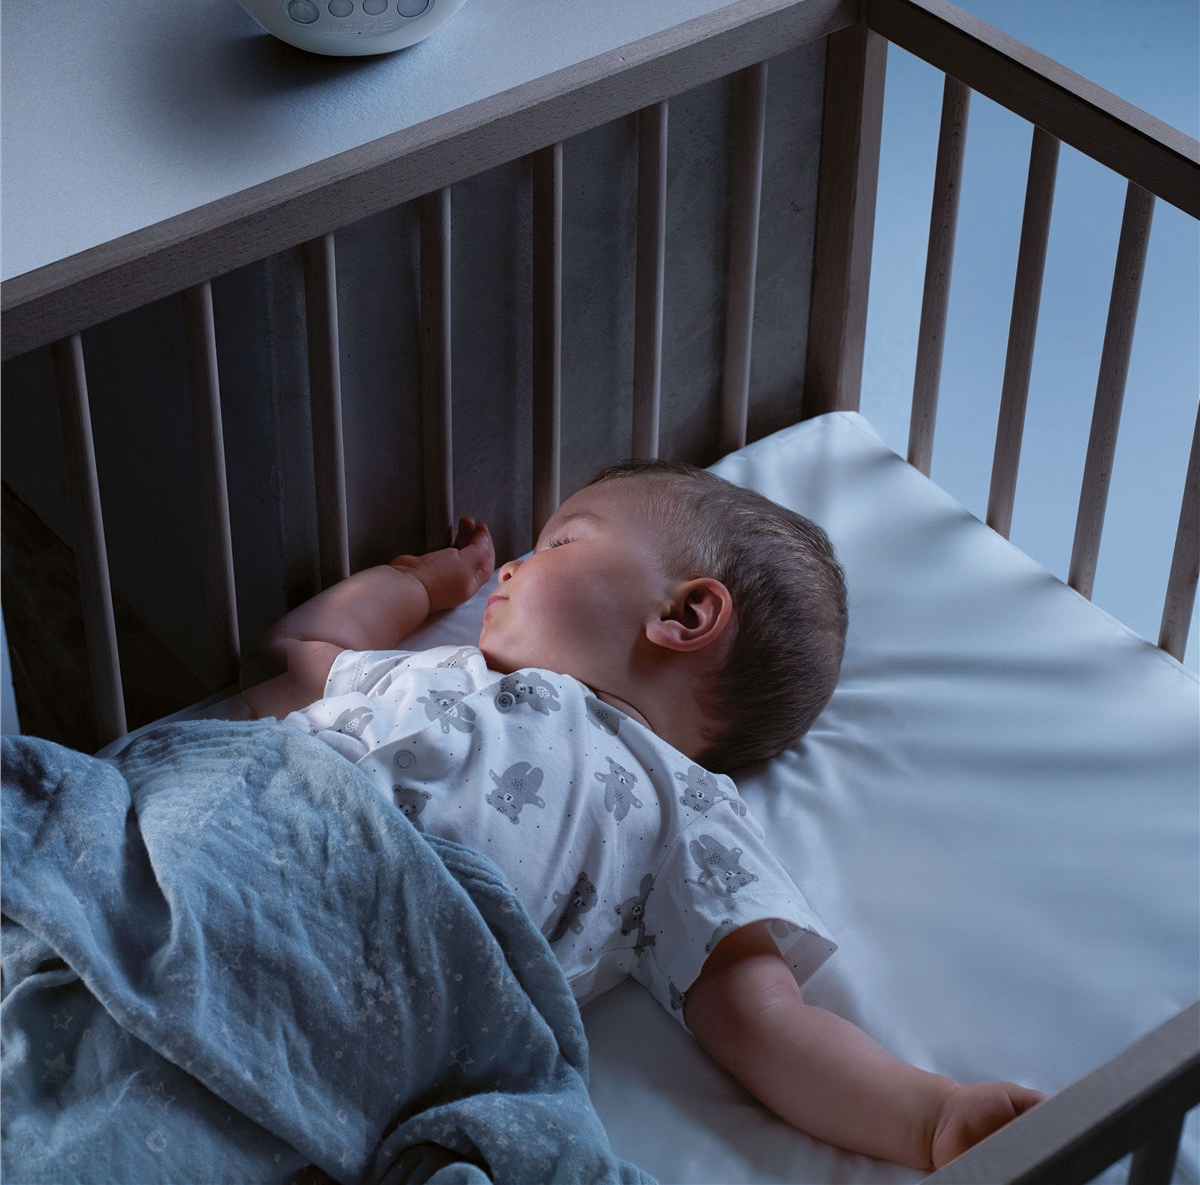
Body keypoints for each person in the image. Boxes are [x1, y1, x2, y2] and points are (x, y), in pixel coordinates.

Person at [243, 458, 1043, 1172]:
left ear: (687, 616)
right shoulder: (430, 672)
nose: (511, 567)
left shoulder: (681, 806)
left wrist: (928, 1114)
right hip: (245, 842)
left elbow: (761, 1017)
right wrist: (424, 580)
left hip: (386, 983)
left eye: (561, 545)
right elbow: (306, 647)